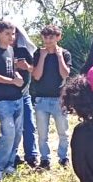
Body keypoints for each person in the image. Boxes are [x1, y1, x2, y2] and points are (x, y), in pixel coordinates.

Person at [0, 21, 30, 182]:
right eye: (7, 34)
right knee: (8, 133)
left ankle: (9, 165)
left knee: (17, 134)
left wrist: (17, 76)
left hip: (17, 97)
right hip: (2, 99)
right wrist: (12, 82)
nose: (11, 37)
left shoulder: (11, 50)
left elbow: (12, 70)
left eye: (13, 34)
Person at [30, 24, 72, 170]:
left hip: (59, 99)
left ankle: (63, 158)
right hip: (41, 99)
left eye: (51, 37)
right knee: (42, 133)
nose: (48, 40)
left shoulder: (65, 53)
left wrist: (59, 56)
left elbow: (65, 74)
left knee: (63, 132)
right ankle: (45, 159)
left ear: (58, 37)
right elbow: (36, 75)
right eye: (45, 37)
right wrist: (42, 57)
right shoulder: (38, 53)